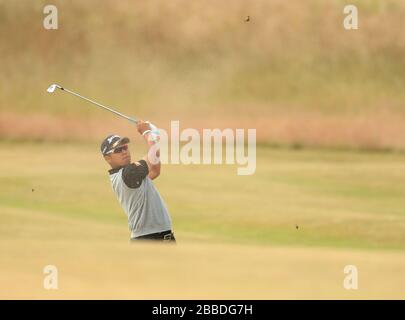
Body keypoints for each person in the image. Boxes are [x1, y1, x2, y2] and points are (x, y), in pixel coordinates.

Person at [101, 120, 175, 243]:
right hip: (149, 238)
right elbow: (154, 154)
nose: (124, 151)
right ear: (107, 158)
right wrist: (147, 132)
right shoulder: (129, 174)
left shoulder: (128, 175)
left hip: (158, 236)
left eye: (125, 147)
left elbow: (155, 171)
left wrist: (152, 136)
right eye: (118, 150)